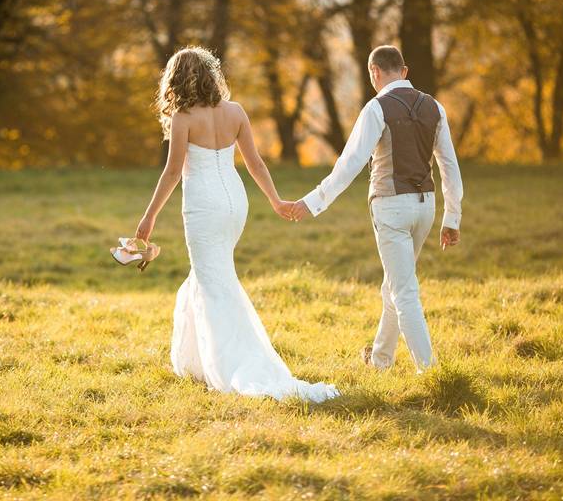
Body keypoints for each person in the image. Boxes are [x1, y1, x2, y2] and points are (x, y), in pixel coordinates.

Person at [134, 46, 339, 402]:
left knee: (215, 283)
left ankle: (236, 365)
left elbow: (171, 173)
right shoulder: (235, 111)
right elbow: (256, 163)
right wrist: (275, 200)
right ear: (211, 75)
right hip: (234, 203)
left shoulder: (184, 117)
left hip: (204, 207)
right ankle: (193, 361)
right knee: (210, 276)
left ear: (176, 80)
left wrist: (149, 216)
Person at [282, 45, 463, 373]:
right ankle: (380, 361)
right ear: (404, 71)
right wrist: (452, 217)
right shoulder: (434, 107)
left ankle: (431, 371)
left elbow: (349, 163)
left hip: (391, 208)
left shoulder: (376, 108)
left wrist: (312, 203)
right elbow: (449, 164)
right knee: (394, 283)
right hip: (426, 209)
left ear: (374, 73)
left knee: (404, 290)